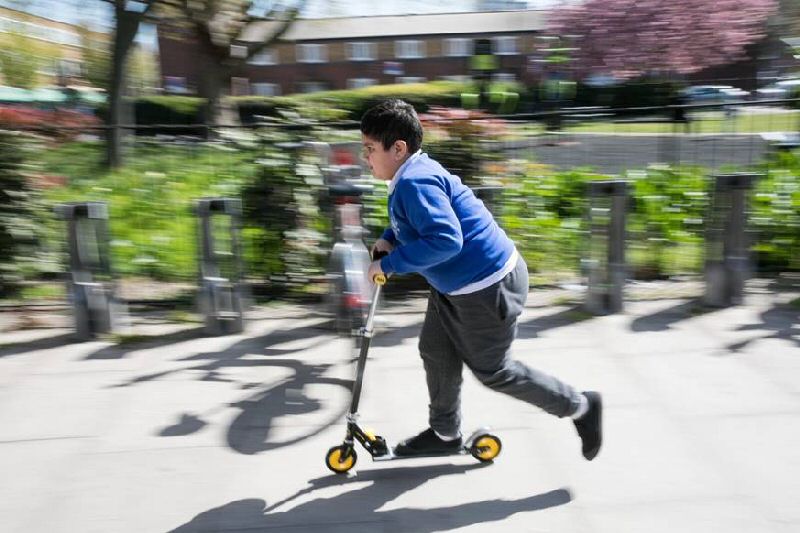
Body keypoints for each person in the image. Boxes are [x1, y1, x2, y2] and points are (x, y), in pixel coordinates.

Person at [361, 99, 603, 461]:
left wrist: (391, 263)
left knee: (495, 371)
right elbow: (413, 221)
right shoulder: (410, 173)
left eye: (369, 149)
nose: (366, 158)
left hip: (487, 288)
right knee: (436, 350)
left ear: (399, 148)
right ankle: (445, 433)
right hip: (456, 285)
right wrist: (389, 238)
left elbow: (446, 239)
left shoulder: (414, 180)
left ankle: (581, 406)